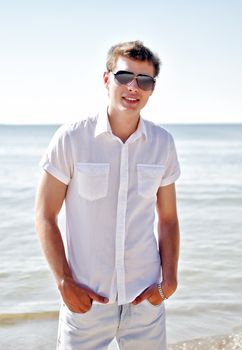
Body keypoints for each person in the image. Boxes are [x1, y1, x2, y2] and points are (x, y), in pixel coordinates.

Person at [35, 40, 180, 350]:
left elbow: (168, 219)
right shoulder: (71, 138)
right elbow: (45, 215)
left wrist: (169, 282)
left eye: (145, 80)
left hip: (145, 302)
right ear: (107, 79)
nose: (133, 87)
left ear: (152, 88)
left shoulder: (162, 143)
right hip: (86, 302)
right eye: (125, 77)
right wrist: (64, 282)